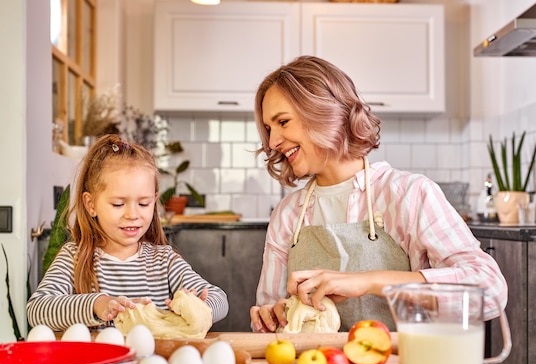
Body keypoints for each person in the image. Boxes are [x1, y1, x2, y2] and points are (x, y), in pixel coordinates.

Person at [249, 55, 508, 333]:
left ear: (322, 112)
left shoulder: (409, 194)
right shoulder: (288, 215)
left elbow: (489, 288)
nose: (273, 141)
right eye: (268, 129)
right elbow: (269, 317)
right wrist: (271, 316)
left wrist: (369, 281)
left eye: (283, 122)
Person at [27, 134, 228, 332]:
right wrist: (97, 304)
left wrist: (197, 307)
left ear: (154, 201)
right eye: (118, 204)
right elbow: (37, 310)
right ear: (91, 204)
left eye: (143, 203)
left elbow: (219, 298)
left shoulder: (163, 261)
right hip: (101, 363)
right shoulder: (74, 257)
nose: (132, 214)